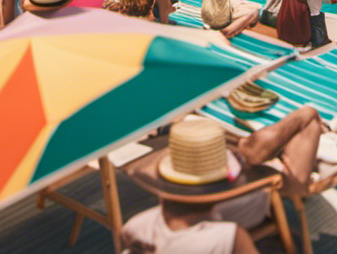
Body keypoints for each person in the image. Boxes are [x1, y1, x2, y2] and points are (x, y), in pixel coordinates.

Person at [122, 106, 325, 254]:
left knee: (301, 123)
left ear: (163, 193)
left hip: (234, 196)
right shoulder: (228, 238)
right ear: (220, 191)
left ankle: (253, 151)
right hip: (261, 193)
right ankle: (299, 121)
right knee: (309, 118)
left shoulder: (135, 227)